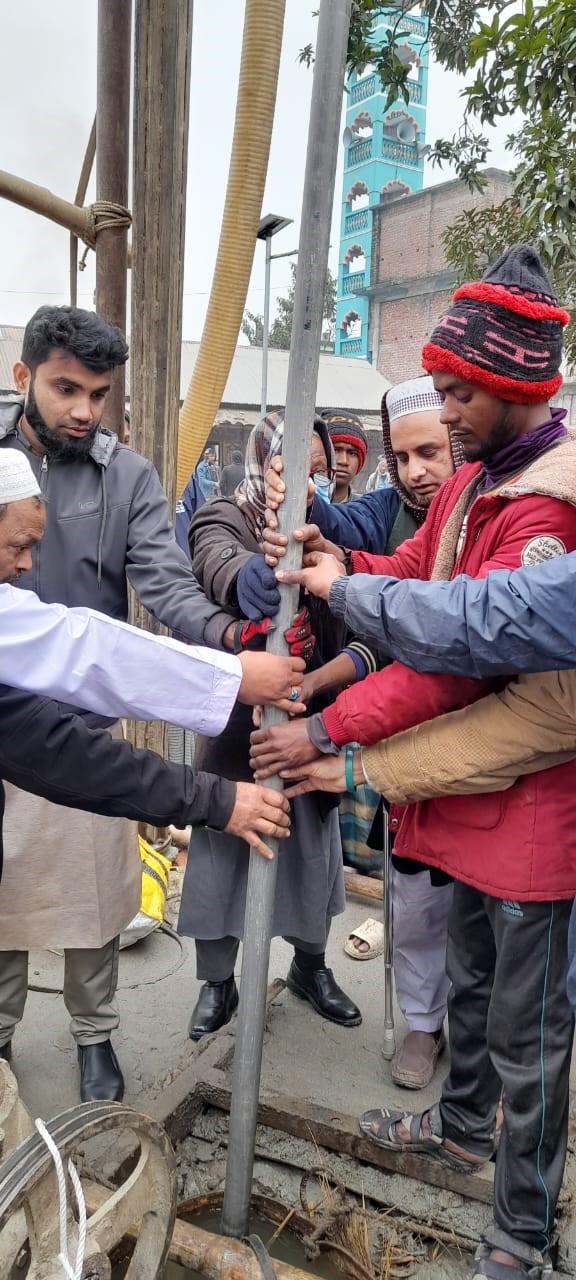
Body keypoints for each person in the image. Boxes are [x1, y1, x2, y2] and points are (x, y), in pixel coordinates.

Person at [251, 246, 576, 1280]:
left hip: (530, 810)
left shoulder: (546, 503)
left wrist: (330, 727)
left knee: (531, 1032)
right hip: (471, 798)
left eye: (456, 391)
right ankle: (461, 1127)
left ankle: (521, 1230)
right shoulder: (482, 476)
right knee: (474, 985)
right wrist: (338, 565)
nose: (443, 410)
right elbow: (413, 566)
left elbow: (458, 661)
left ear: (516, 385)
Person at [0, 304, 289, 1105]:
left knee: (93, 893)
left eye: (99, 393)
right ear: (24, 377)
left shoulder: (122, 474)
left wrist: (231, 630)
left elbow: (163, 589)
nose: (84, 410)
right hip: (14, 702)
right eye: (66, 388)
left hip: (84, 713)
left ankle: (94, 1034)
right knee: (4, 897)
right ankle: (1, 1034)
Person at [270, 377, 463, 1090]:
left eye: (432, 452)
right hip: (397, 719)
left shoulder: (483, 514)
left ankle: (473, 1037)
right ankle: (421, 1023)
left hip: (477, 727)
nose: (418, 469)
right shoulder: (384, 515)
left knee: (482, 905)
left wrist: (325, 716)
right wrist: (301, 498)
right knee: (412, 886)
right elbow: (355, 560)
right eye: (404, 455)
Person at [180, 412, 361, 1042]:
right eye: (289, 467)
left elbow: (353, 614)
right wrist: (247, 577)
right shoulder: (225, 516)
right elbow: (214, 560)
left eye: (314, 468)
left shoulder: (327, 532)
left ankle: (310, 967)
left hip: (311, 726)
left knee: (312, 855)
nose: (303, 481)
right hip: (238, 736)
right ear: (264, 463)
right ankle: (217, 982)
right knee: (222, 858)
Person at [322, 410, 368, 503]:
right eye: (335, 450)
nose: (343, 461)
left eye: (352, 453)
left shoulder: (366, 512)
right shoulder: (295, 505)